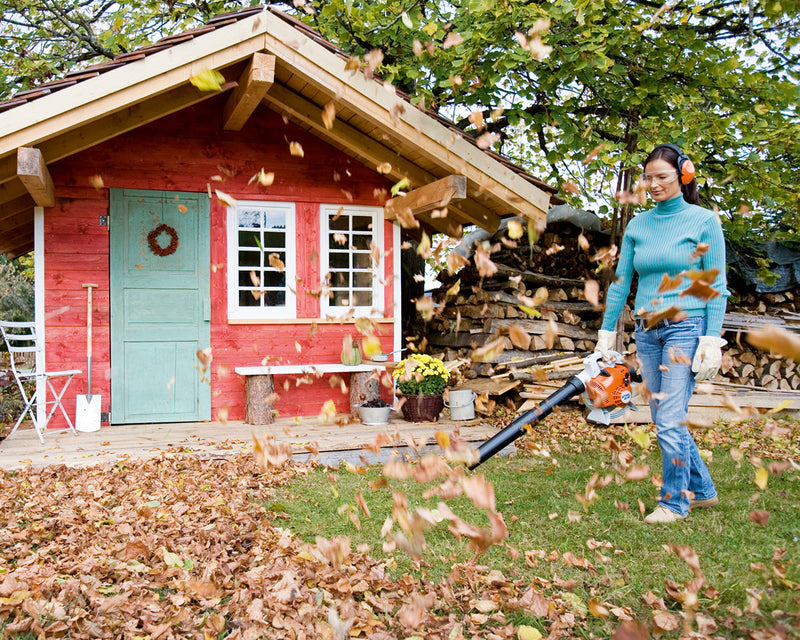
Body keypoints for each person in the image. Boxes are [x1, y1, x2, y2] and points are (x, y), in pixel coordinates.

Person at [595, 143, 729, 524]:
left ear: (683, 176)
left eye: (661, 177)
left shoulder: (703, 221)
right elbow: (621, 281)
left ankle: (674, 502)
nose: (653, 184)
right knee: (665, 415)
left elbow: (714, 283)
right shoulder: (639, 225)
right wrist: (607, 331)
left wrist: (711, 338)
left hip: (686, 327)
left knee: (669, 418)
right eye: (648, 177)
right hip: (647, 331)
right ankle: (702, 490)